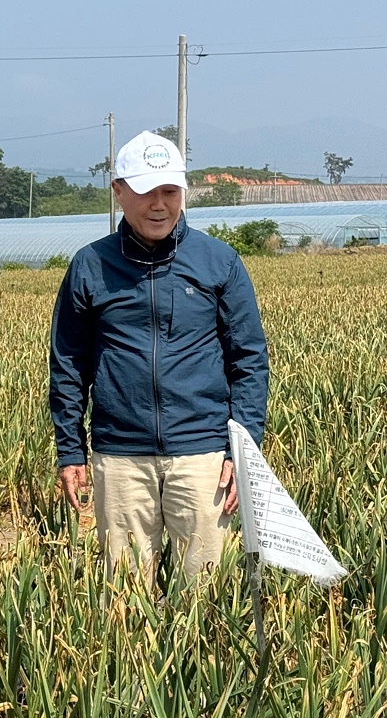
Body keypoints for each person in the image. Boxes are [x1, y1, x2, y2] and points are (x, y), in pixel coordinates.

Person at [49, 131, 269, 581]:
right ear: (118, 192)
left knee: (207, 594)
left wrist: (241, 449)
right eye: (146, 191)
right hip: (120, 455)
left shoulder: (218, 261)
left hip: (204, 454)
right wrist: (71, 450)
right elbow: (69, 363)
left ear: (183, 192)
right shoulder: (90, 265)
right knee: (126, 600)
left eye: (170, 191)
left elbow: (248, 360)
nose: (158, 205)